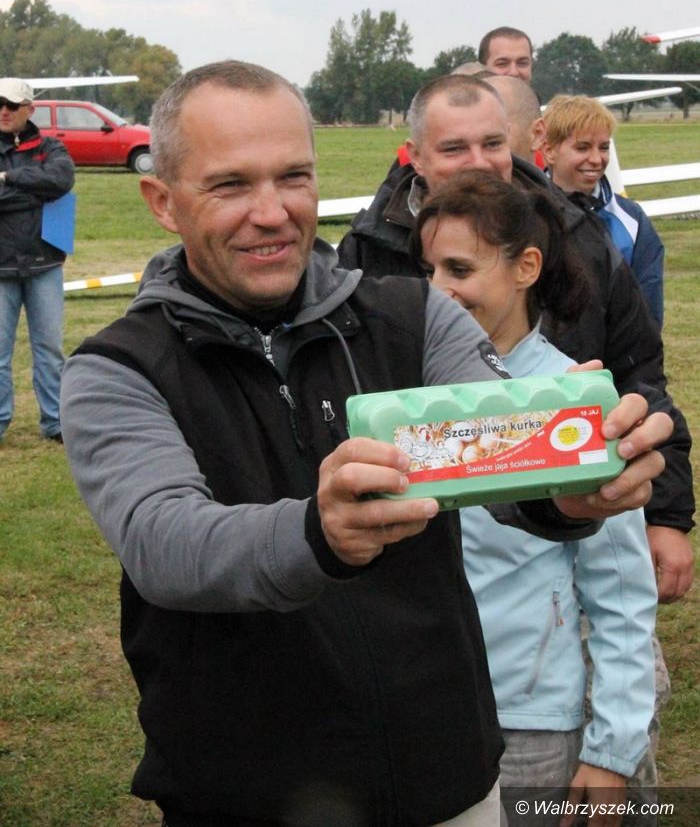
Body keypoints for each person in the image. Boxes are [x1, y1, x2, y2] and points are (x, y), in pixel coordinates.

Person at [60, 60, 669, 827]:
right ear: (162, 201)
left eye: (293, 176)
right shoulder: (117, 367)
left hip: (449, 780)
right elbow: (164, 541)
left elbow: (495, 451)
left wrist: (566, 488)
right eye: (230, 185)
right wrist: (317, 532)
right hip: (247, 793)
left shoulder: (415, 316)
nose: (272, 212)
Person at [336, 74, 694, 602]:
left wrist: (666, 514)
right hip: (416, 565)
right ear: (415, 155)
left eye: (493, 143)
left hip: (557, 545)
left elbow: (637, 373)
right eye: (455, 148)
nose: (478, 162)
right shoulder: (366, 252)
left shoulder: (578, 234)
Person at [414, 170, 658, 827]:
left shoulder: (574, 406)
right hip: (433, 714)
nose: (437, 289)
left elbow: (622, 594)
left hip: (531, 727)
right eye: (428, 269)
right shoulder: (411, 400)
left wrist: (612, 752)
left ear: (526, 267)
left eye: (459, 268)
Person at [541, 94, 665, 328]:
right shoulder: (527, 213)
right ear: (549, 151)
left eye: (604, 148)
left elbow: (648, 306)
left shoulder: (632, 219)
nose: (597, 159)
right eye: (583, 147)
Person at [0, 77, 74, 443]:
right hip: (1, 267)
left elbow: (61, 180)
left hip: (44, 264)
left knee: (50, 349)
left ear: (30, 109)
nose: (3, 111)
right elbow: (48, 188)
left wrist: (8, 177)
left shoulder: (50, 147)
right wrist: (36, 193)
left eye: (11, 105)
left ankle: (56, 422)